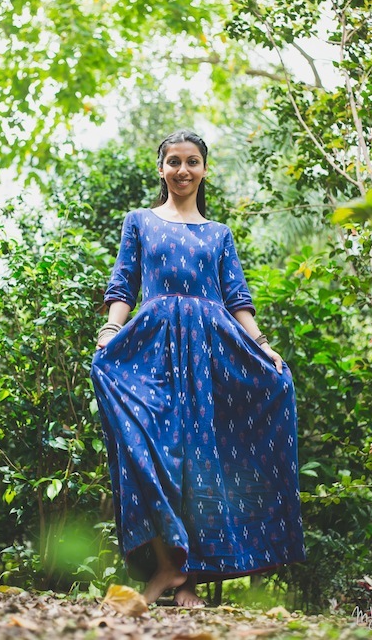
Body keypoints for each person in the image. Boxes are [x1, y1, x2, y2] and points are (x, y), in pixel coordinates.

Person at [90, 130, 305, 607]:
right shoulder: (140, 221)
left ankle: (186, 580)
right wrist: (109, 332)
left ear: (204, 170)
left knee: (201, 464)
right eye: (173, 161)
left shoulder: (218, 234)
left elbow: (237, 299)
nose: (182, 170)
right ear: (160, 168)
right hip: (152, 349)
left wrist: (264, 347)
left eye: (192, 162)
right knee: (159, 456)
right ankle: (165, 565)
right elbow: (124, 283)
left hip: (212, 356)